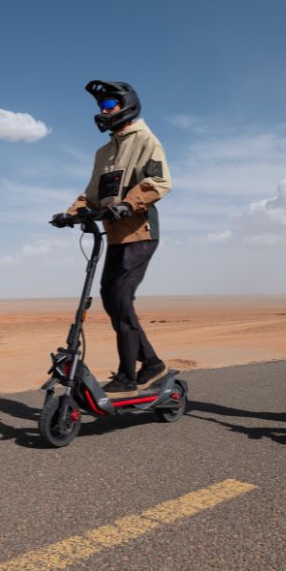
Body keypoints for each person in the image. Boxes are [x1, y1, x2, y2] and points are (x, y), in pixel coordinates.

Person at [51, 80, 172, 395]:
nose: (103, 112)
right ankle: (153, 363)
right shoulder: (103, 152)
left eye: (108, 106)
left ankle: (127, 374)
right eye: (100, 107)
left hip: (140, 232)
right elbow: (92, 193)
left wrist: (127, 204)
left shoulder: (146, 140)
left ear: (127, 104)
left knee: (120, 298)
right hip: (115, 236)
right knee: (112, 299)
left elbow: (159, 181)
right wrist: (71, 213)